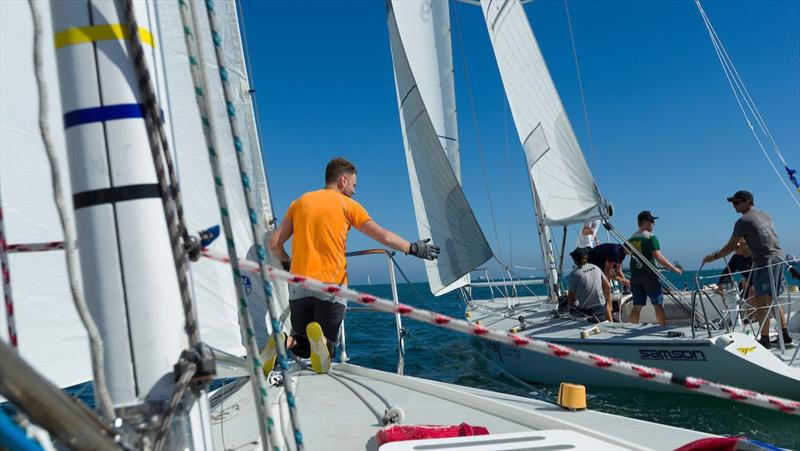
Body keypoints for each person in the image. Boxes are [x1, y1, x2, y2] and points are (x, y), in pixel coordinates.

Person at [268, 157, 439, 373]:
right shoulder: (348, 205)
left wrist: (287, 263)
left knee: (300, 344)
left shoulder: (299, 202)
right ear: (342, 181)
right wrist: (413, 248)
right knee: (325, 351)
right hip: (330, 285)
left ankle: (283, 342)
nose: (355, 191)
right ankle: (323, 343)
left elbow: (274, 244)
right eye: (354, 185)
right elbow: (383, 236)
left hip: (298, 285)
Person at [702, 190, 792, 349]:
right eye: (732, 203)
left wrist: (713, 256)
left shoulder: (743, 221)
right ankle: (785, 336)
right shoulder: (765, 215)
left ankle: (765, 340)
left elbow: (731, 246)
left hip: (765, 260)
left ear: (748, 202)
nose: (734, 206)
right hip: (779, 257)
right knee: (773, 299)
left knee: (761, 302)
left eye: (737, 202)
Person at [628, 211, 682, 326]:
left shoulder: (631, 239)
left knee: (637, 305)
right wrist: (674, 269)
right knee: (658, 304)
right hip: (649, 275)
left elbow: (626, 253)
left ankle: (632, 327)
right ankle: (661, 329)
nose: (654, 223)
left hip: (635, 276)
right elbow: (658, 257)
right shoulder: (651, 238)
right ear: (646, 222)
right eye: (652, 221)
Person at [567, 247, 612, 322]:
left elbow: (570, 299)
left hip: (586, 312)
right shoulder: (596, 268)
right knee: (605, 302)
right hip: (601, 309)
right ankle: (611, 322)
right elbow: (608, 286)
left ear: (575, 260)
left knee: (571, 309)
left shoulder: (574, 274)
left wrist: (572, 303)